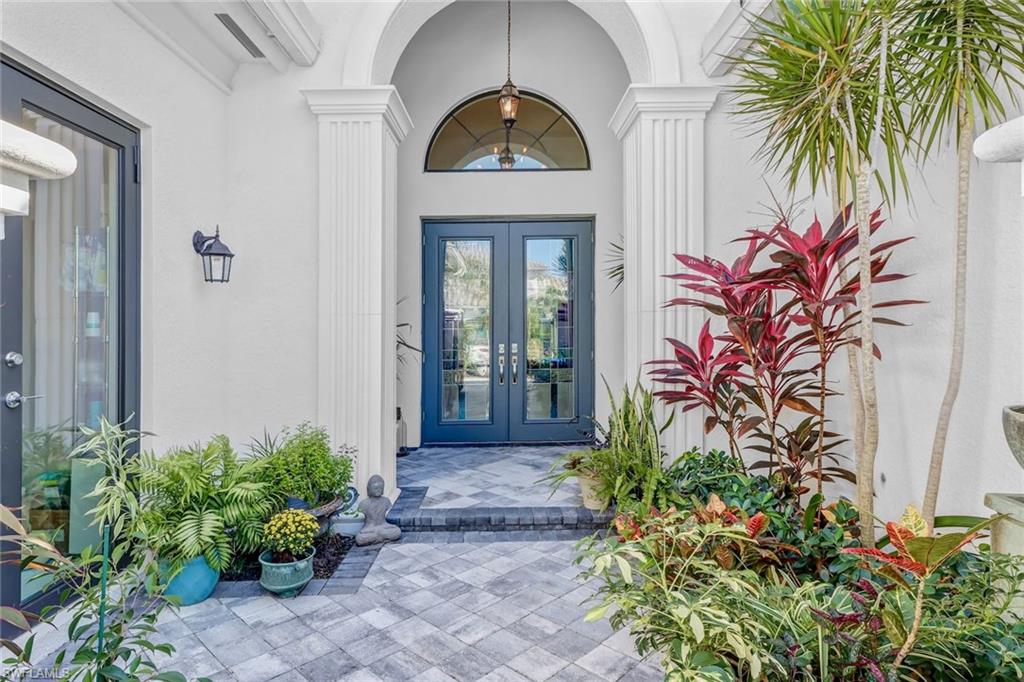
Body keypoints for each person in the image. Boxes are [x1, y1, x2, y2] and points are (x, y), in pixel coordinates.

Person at [355, 474, 401, 545]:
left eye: (380, 488)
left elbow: (385, 521)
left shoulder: (386, 501)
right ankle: (382, 538)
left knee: (397, 531)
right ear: (369, 489)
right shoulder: (364, 503)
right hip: (370, 529)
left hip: (383, 526)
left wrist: (388, 527)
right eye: (375, 488)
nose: (378, 490)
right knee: (360, 538)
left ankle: (377, 538)